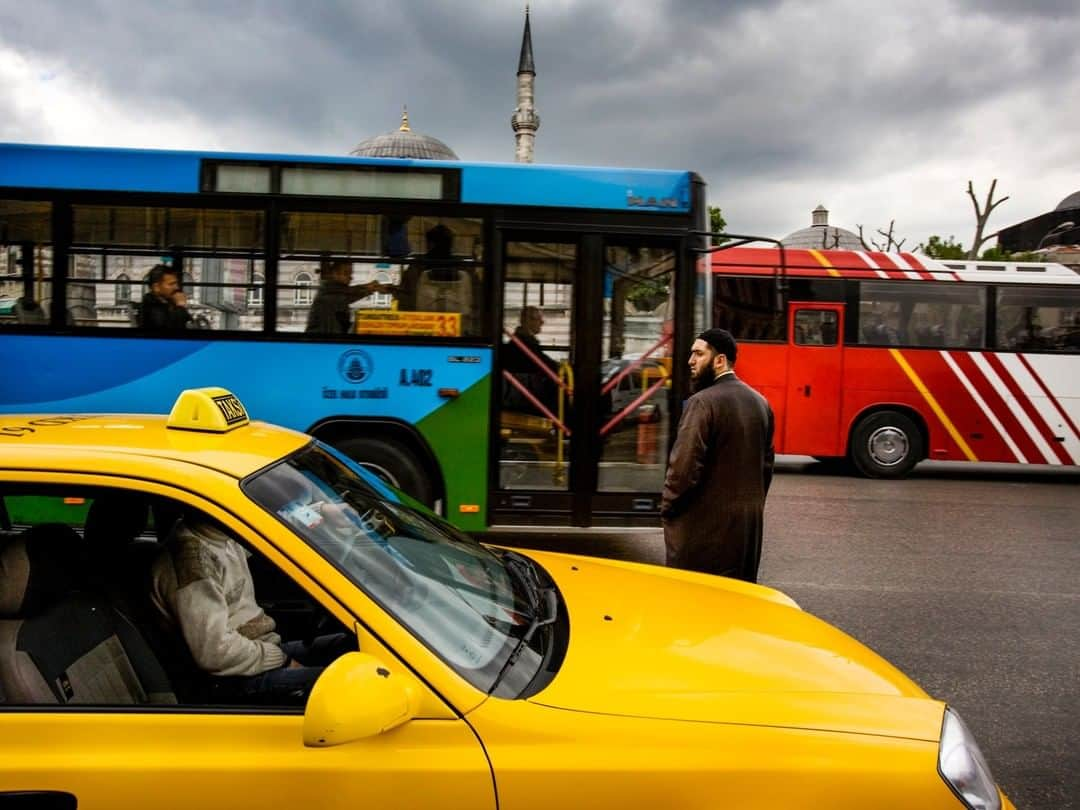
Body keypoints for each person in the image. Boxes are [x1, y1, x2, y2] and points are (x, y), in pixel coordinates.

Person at [149, 514, 352, 705]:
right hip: (232, 679)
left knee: (346, 646)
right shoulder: (191, 562)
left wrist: (320, 513)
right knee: (350, 686)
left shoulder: (223, 533)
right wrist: (282, 660)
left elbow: (272, 527)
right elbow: (214, 652)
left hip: (256, 650)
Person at [660, 328, 775, 583]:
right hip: (746, 532)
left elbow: (683, 469)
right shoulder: (761, 403)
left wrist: (667, 506)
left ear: (720, 360)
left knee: (697, 607)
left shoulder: (702, 402)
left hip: (705, 533)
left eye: (699, 354)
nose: (690, 361)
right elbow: (766, 469)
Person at [500, 305, 561, 415]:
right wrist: (560, 367)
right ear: (528, 321)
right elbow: (544, 364)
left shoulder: (522, 341)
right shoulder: (524, 344)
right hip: (525, 397)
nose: (542, 323)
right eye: (539, 319)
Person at [305, 258, 388, 335]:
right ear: (334, 274)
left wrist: (370, 287)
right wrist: (370, 288)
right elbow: (347, 295)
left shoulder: (334, 290)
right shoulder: (327, 293)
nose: (350, 277)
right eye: (346, 273)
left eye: (350, 273)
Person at [139, 264, 191, 330]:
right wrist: (180, 307)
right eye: (171, 284)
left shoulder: (168, 300)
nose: (177, 287)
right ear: (156, 287)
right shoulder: (150, 303)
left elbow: (189, 323)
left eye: (176, 283)